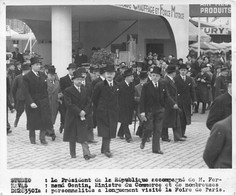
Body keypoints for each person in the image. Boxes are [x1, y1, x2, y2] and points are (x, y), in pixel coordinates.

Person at [139, 66, 175, 154]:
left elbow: (167, 96)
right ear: (150, 76)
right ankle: (144, 139)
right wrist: (142, 112)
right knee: (149, 128)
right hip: (149, 111)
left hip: (160, 110)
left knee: (158, 130)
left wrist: (173, 103)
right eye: (153, 75)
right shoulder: (146, 86)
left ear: (159, 77)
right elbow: (142, 99)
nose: (155, 77)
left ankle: (156, 149)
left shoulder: (162, 85)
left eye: (157, 76)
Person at [63, 68, 96, 160]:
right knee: (72, 136)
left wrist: (84, 111)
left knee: (83, 135)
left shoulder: (85, 90)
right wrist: (79, 111)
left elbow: (88, 102)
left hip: (82, 116)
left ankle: (87, 154)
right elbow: (68, 104)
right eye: (78, 80)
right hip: (72, 116)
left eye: (81, 80)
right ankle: (72, 154)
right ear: (73, 80)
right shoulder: (68, 90)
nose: (79, 81)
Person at [22, 57, 53, 145]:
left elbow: (45, 89)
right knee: (32, 120)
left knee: (44, 120)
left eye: (39, 64)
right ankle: (32, 138)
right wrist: (31, 102)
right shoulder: (27, 77)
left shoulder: (43, 75)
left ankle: (42, 138)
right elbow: (26, 91)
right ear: (32, 66)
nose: (39, 66)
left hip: (43, 102)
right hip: (33, 102)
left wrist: (46, 100)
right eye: (37, 65)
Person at [92, 64, 119, 158]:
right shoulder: (99, 85)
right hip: (102, 112)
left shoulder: (117, 85)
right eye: (107, 73)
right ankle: (107, 150)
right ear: (105, 74)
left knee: (110, 130)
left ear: (114, 74)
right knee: (106, 130)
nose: (109, 75)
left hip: (113, 112)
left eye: (111, 73)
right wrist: (99, 108)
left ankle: (104, 148)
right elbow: (94, 99)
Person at [162, 65, 185, 142]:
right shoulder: (166, 81)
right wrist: (173, 103)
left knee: (176, 119)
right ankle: (164, 136)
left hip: (173, 102)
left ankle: (177, 136)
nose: (176, 73)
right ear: (173, 73)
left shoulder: (171, 80)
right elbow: (167, 94)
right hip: (168, 104)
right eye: (175, 72)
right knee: (166, 120)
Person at [174, 64, 197, 138]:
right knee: (179, 117)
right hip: (179, 100)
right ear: (179, 71)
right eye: (181, 70)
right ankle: (179, 134)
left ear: (186, 71)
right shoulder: (176, 79)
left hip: (187, 100)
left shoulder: (189, 79)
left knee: (185, 117)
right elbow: (174, 90)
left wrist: (194, 100)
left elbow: (192, 90)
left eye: (184, 70)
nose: (183, 72)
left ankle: (183, 133)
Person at [117, 68, 135, 142]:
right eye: (131, 76)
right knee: (125, 121)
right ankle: (128, 137)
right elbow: (118, 97)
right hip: (122, 107)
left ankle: (120, 133)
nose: (133, 78)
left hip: (129, 107)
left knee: (126, 121)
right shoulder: (121, 85)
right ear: (127, 77)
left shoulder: (131, 85)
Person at [59, 63, 76, 133]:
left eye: (74, 70)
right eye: (71, 70)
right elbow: (61, 89)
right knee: (65, 114)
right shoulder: (63, 79)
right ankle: (63, 125)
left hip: (75, 100)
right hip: (66, 99)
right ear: (68, 70)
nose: (73, 71)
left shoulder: (77, 79)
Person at [12, 63, 31, 127]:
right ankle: (16, 120)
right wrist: (15, 97)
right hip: (20, 97)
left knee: (29, 111)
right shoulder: (18, 78)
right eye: (28, 71)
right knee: (20, 110)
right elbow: (14, 88)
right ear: (24, 71)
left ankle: (29, 123)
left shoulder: (30, 77)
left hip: (28, 97)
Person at [46, 66, 60, 140]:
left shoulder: (58, 82)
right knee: (48, 117)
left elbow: (61, 91)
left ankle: (48, 130)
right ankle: (51, 131)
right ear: (47, 75)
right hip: (47, 102)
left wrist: (60, 95)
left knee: (53, 117)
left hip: (55, 103)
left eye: (53, 75)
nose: (51, 77)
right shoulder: (44, 82)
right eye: (50, 75)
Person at [134, 71, 148, 138]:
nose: (143, 81)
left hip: (148, 107)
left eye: (144, 79)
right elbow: (134, 97)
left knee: (148, 120)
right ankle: (144, 134)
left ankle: (142, 132)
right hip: (139, 107)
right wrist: (142, 99)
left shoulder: (149, 86)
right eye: (142, 79)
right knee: (142, 119)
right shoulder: (136, 87)